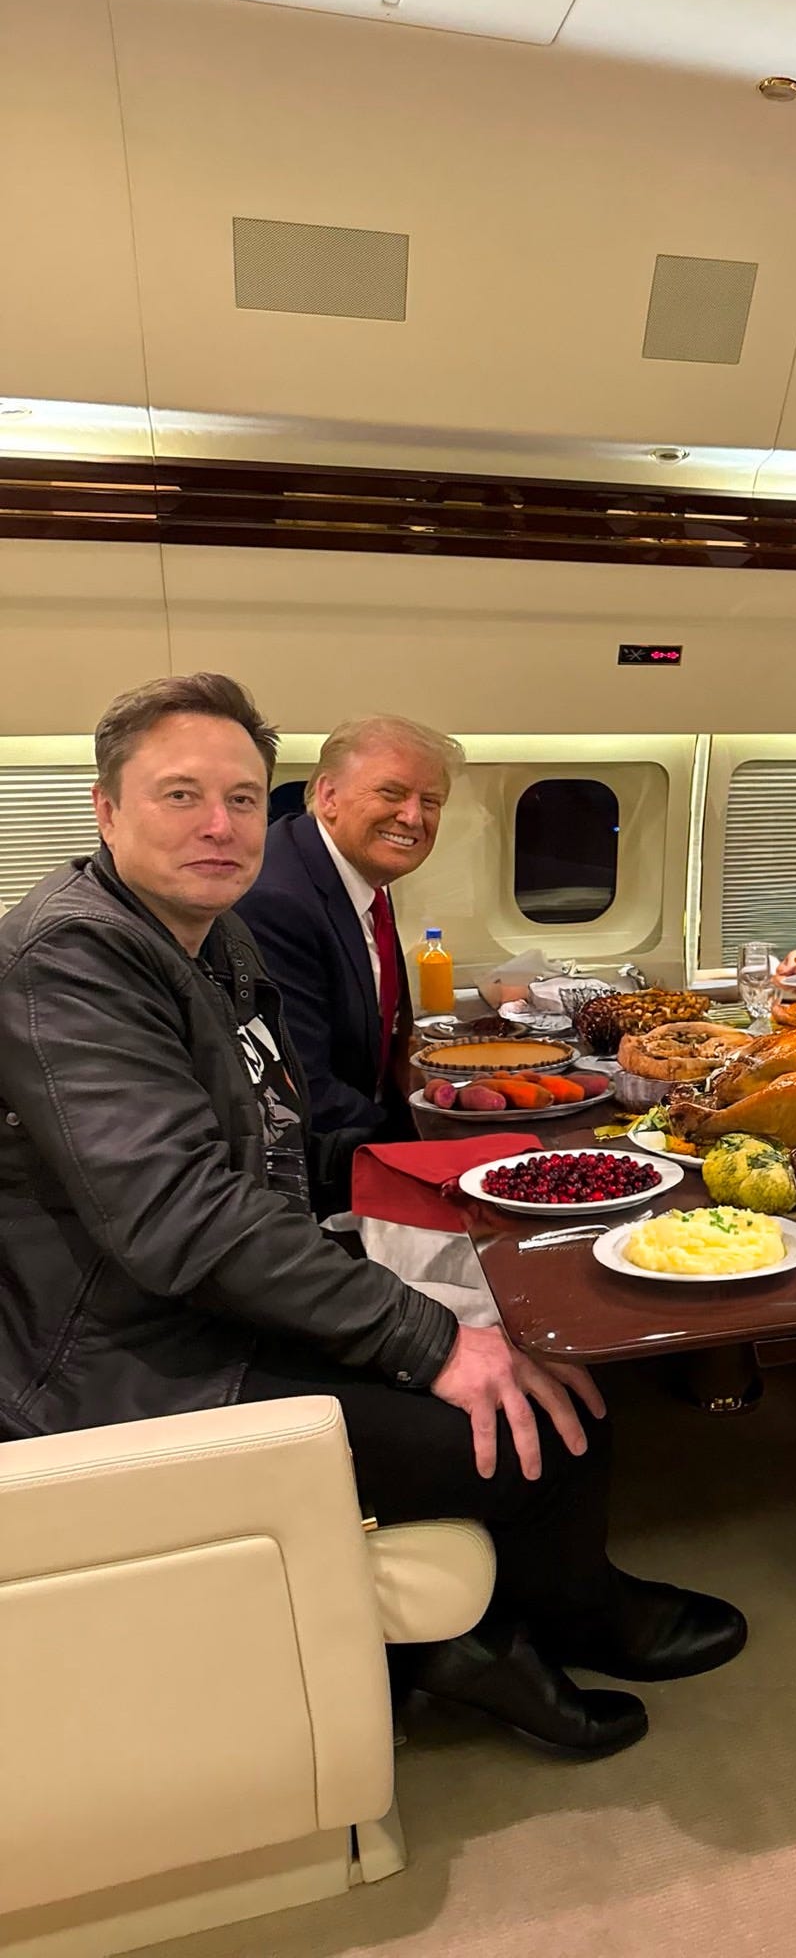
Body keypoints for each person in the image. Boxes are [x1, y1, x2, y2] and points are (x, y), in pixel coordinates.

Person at [0, 673, 745, 1757]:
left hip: (209, 1304)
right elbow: (183, 1216)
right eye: (180, 795)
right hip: (127, 1360)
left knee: (546, 1348)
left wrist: (454, 1184)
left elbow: (278, 1139)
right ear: (107, 809)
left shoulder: (206, 940)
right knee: (532, 1415)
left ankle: (515, 1620)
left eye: (242, 798)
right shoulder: (68, 961)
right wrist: (426, 1338)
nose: (220, 825)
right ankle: (521, 1636)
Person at [239, 715, 460, 1217]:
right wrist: (426, 1150)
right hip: (309, 1183)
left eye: (430, 802)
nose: (413, 817)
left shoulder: (359, 872)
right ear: (329, 796)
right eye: (391, 793)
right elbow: (304, 1088)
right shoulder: (279, 900)